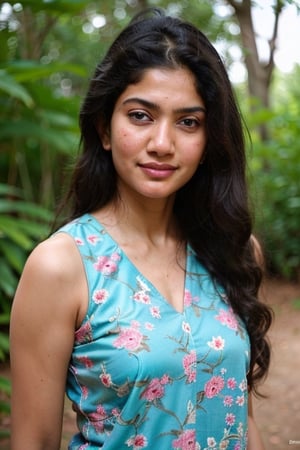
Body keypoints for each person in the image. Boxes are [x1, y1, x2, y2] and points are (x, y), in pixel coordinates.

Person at [10, 8, 272, 450]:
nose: (163, 144)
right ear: (104, 128)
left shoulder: (234, 250)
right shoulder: (62, 266)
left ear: (209, 141)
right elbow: (32, 441)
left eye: (188, 122)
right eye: (140, 116)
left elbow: (242, 421)